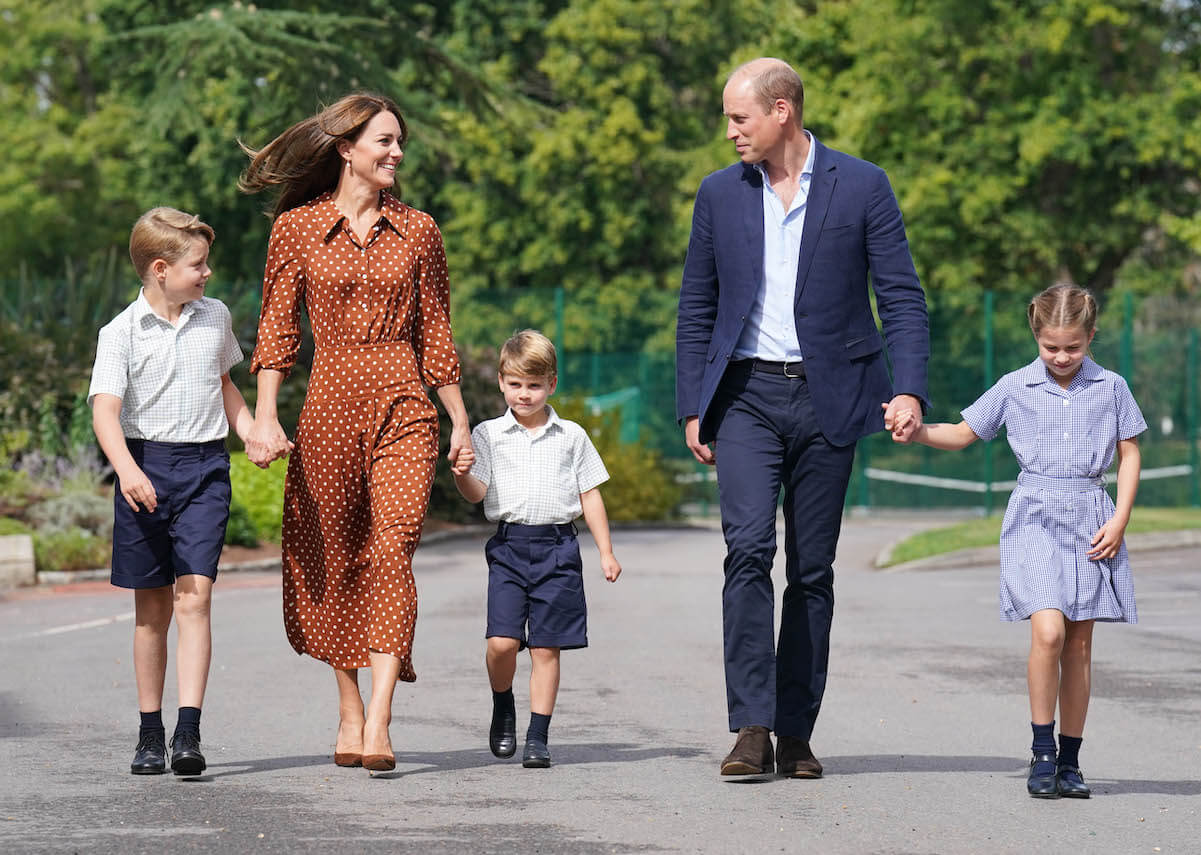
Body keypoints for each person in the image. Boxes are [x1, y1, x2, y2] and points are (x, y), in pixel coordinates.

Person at [675, 57, 930, 778]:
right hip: (746, 397)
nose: (729, 132)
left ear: (781, 111)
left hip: (832, 397)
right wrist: (694, 403)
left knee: (811, 569)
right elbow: (695, 307)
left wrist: (908, 387)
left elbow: (902, 297)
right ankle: (751, 727)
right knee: (747, 551)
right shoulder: (718, 195)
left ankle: (796, 731)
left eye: (738, 117)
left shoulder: (863, 185)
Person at [239, 92, 474, 773]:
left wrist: (459, 418)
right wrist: (263, 415)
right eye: (384, 141)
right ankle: (347, 708)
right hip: (329, 403)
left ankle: (378, 720)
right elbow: (277, 332)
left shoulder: (420, 229)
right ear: (347, 148)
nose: (396, 152)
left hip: (404, 401)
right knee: (334, 554)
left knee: (392, 549)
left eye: (399, 142)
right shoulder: (296, 230)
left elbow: (436, 332)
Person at [892, 284, 1145, 799]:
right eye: (1051, 347)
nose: (1061, 357)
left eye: (1073, 347)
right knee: (1048, 632)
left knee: (1078, 643)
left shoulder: (1112, 387)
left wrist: (1120, 519)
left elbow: (1130, 453)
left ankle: (1071, 763)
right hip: (1034, 516)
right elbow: (963, 433)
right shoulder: (1015, 386)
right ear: (1037, 336)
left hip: (1092, 517)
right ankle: (1042, 752)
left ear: (1091, 337)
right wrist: (916, 430)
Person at [89, 207, 254, 776]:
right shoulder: (120, 333)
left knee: (196, 596)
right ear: (161, 269)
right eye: (198, 265)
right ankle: (149, 732)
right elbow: (105, 414)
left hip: (206, 468)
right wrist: (127, 470)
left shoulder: (215, 317)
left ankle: (188, 731)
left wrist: (251, 430)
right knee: (152, 608)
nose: (207, 274)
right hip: (144, 469)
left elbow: (226, 384)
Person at [453, 330, 621, 768]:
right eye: (515, 384)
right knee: (502, 643)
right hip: (510, 548)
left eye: (533, 385)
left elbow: (590, 495)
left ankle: (538, 737)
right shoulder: (488, 435)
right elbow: (476, 493)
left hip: (558, 548)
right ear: (500, 382)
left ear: (552, 384)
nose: (523, 394)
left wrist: (605, 551)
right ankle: (503, 702)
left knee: (547, 647)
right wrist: (460, 473)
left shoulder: (572, 436)